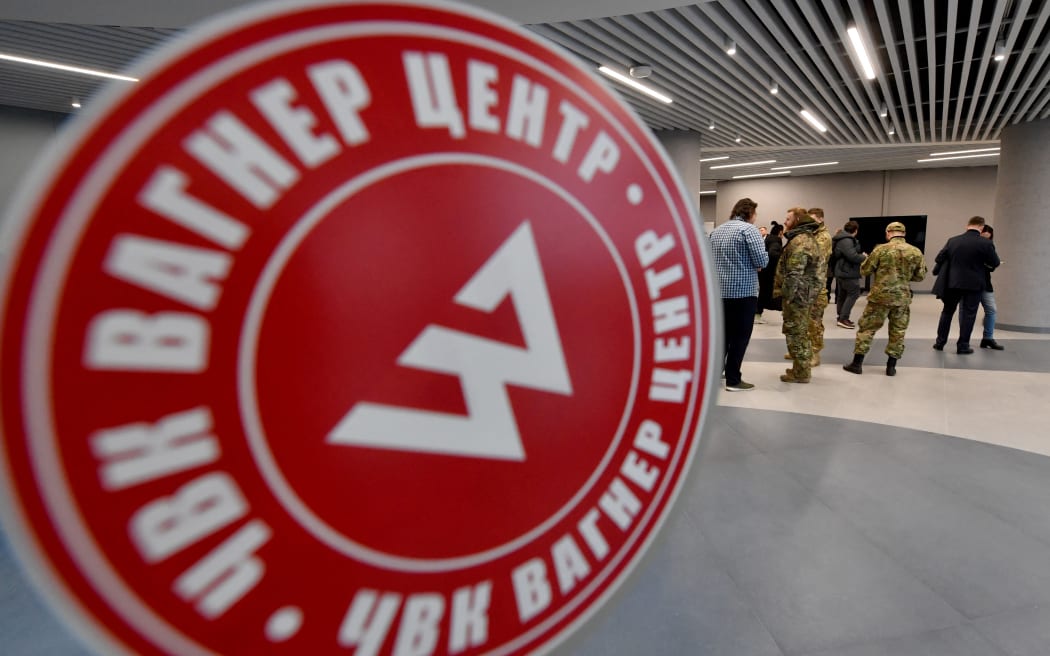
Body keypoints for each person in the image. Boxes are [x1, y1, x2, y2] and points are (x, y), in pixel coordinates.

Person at [843, 222, 927, 376]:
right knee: (898, 331)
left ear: (888, 233)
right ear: (904, 233)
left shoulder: (880, 249)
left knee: (867, 328)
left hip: (879, 298)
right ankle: (891, 367)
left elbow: (866, 270)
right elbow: (920, 276)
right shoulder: (915, 252)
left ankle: (857, 364)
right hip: (902, 298)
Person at [710, 197, 768, 391]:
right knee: (740, 337)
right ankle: (733, 379)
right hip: (743, 292)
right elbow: (762, 260)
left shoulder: (717, 231)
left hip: (719, 293)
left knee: (723, 336)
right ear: (750, 213)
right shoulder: (749, 230)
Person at [932, 216, 1001, 354]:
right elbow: (995, 263)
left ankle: (940, 343)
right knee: (969, 315)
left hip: (953, 283)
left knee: (947, 312)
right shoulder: (985, 243)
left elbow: (939, 258)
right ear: (981, 227)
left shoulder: (953, 240)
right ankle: (962, 346)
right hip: (974, 285)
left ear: (967, 225)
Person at [774, 207, 822, 383]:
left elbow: (794, 273)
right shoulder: (805, 239)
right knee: (800, 331)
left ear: (797, 221)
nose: (785, 222)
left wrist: (786, 295)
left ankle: (801, 372)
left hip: (797, 296)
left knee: (796, 332)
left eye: (788, 219)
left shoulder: (800, 242)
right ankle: (800, 368)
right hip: (804, 294)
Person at [806, 207, 833, 365]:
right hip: (805, 286)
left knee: (815, 322)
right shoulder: (811, 235)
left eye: (813, 219)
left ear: (821, 219)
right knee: (804, 321)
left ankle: (815, 353)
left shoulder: (823, 237)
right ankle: (804, 350)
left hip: (817, 287)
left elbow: (815, 259)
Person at [831, 220, 867, 328]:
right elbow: (853, 256)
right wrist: (864, 256)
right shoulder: (847, 240)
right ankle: (843, 318)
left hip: (842, 271)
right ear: (855, 231)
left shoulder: (842, 239)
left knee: (843, 295)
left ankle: (841, 317)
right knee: (854, 293)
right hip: (847, 272)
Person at [978, 224, 1004, 350]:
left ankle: (987, 338)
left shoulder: (990, 246)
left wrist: (987, 264)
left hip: (985, 284)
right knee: (966, 313)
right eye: (983, 237)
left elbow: (993, 265)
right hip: (969, 283)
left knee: (991, 310)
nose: (986, 241)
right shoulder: (970, 244)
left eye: (988, 238)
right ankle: (963, 341)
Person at [755, 221, 784, 324]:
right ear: (780, 232)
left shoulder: (768, 238)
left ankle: (758, 313)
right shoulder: (776, 240)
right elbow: (773, 254)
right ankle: (758, 313)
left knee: (763, 292)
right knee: (766, 292)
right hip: (769, 272)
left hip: (763, 271)